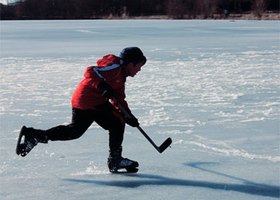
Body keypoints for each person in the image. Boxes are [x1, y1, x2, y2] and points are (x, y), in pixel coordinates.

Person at [16, 47, 147, 173]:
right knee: (77, 131)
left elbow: (118, 98)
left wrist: (128, 116)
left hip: (97, 102)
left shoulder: (121, 76)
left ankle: (115, 159)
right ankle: (34, 136)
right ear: (130, 63)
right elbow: (90, 71)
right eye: (139, 66)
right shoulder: (115, 67)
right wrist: (101, 85)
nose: (139, 70)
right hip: (85, 100)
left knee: (115, 122)